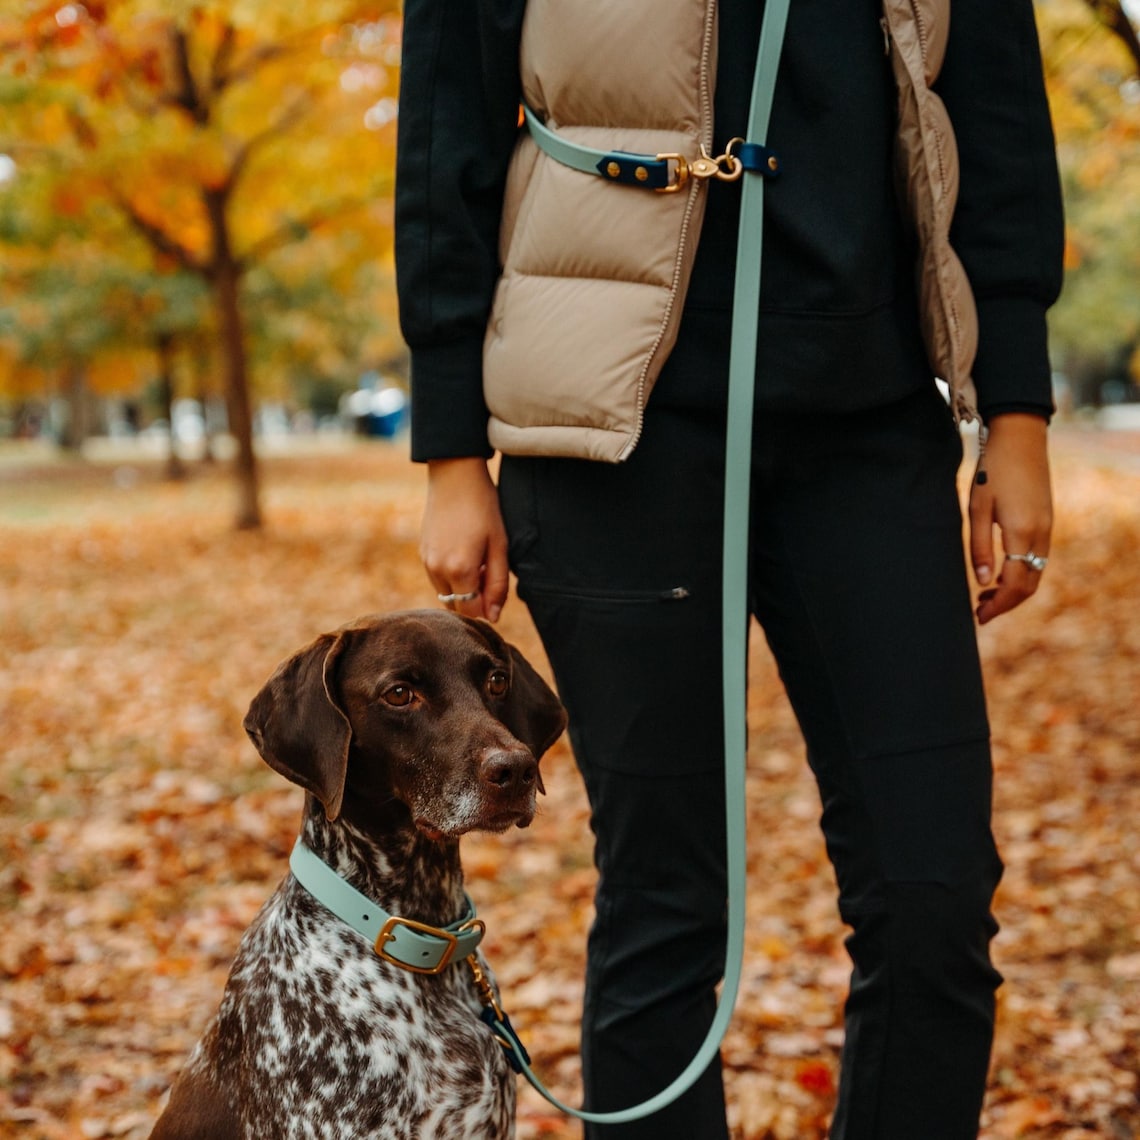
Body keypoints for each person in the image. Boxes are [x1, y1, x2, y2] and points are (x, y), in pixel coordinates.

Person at [393, 1, 1063, 1136]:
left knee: (932, 895)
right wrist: (453, 449)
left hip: (872, 428)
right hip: (613, 438)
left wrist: (1020, 413)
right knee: (664, 902)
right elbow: (446, 128)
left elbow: (995, 117)